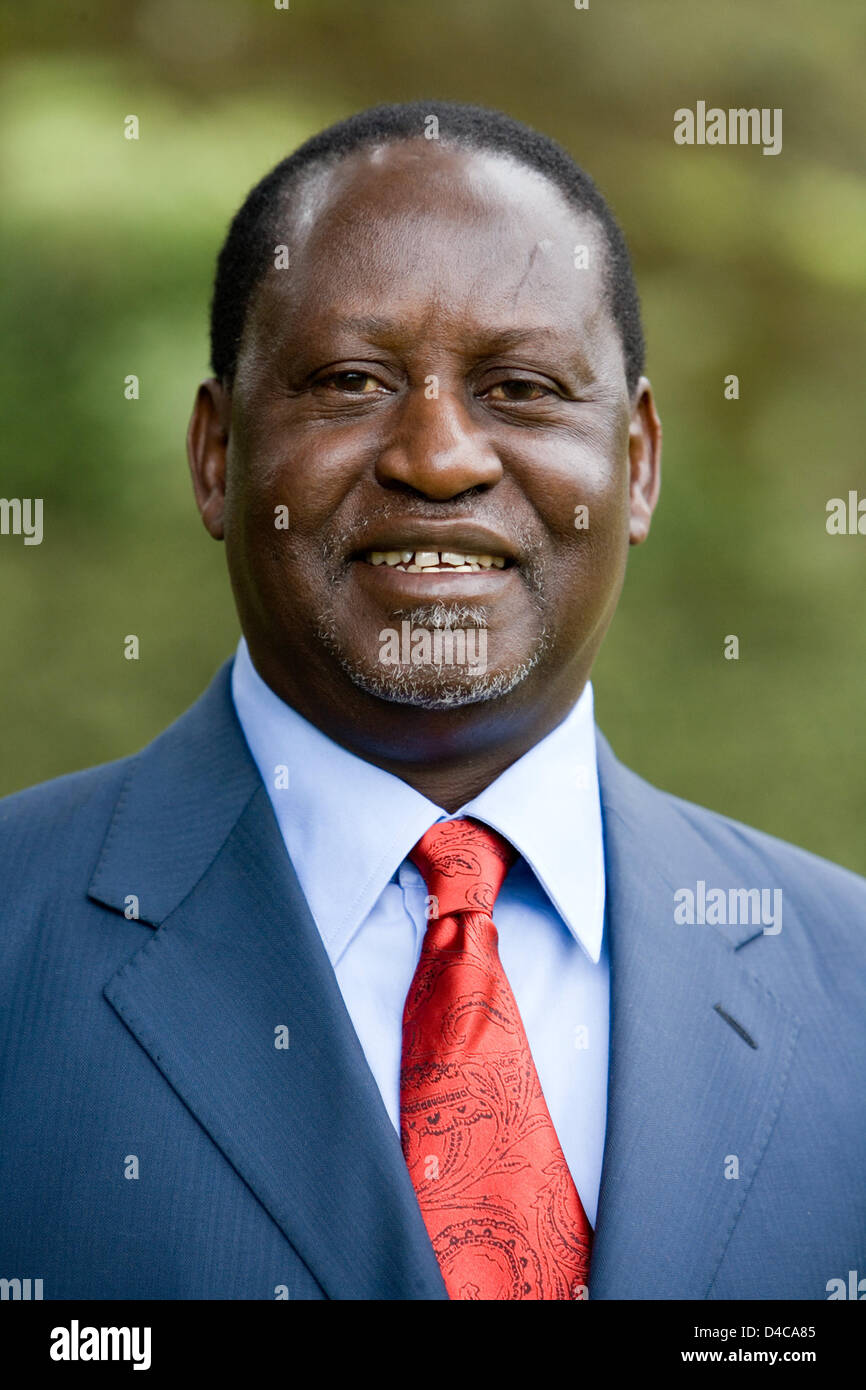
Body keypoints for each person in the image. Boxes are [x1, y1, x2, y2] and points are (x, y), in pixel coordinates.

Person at [1, 100, 863, 1302]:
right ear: (215, 454)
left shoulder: (849, 985)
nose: (438, 455)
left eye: (519, 386)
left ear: (638, 464)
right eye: (349, 380)